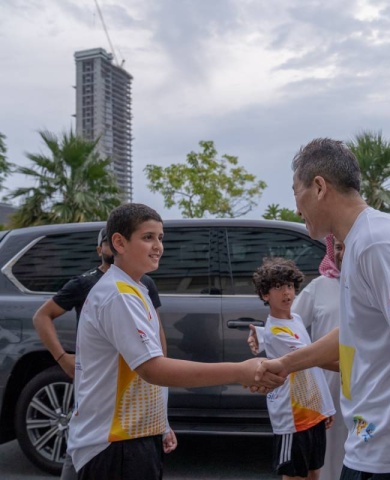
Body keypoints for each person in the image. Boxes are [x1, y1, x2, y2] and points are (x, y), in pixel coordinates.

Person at [256, 138, 390, 480]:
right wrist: (285, 363)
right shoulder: (359, 243)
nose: (296, 208)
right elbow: (354, 332)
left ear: (319, 186)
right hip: (371, 446)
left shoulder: (376, 242)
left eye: (297, 192)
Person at [67, 203, 283, 479]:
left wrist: (160, 423)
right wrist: (241, 370)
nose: (158, 246)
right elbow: (154, 369)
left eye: (160, 238)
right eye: (148, 237)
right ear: (119, 242)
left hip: (132, 437)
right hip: (114, 446)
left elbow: (142, 373)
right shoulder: (119, 295)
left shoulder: (136, 288)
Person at [32, 227, 168, 480]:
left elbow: (156, 332)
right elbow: (42, 316)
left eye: (159, 238)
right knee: (87, 438)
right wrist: (63, 358)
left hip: (131, 391)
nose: (157, 245)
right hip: (98, 381)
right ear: (104, 248)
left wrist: (162, 385)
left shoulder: (144, 283)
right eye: (106, 242)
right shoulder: (88, 284)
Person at [249, 235, 346, 480]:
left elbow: (290, 327)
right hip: (298, 412)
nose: (287, 293)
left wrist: (324, 407)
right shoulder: (320, 287)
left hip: (317, 404)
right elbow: (304, 353)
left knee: (316, 470)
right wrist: (350, 366)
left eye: (290, 287)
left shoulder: (297, 321)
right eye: (338, 246)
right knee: (296, 472)